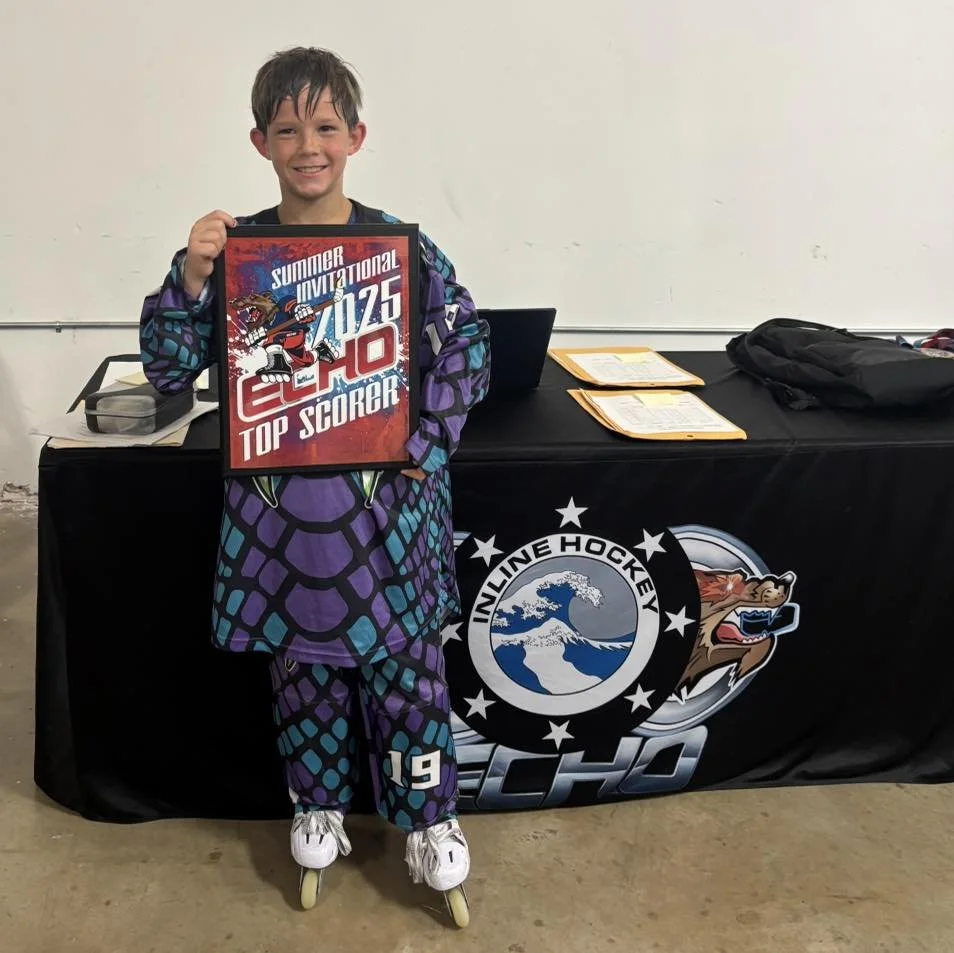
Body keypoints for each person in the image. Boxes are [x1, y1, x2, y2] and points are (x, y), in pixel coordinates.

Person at [138, 46, 490, 926]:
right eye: (288, 128)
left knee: (408, 673)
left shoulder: (401, 247)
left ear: (356, 136)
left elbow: (470, 343)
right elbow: (168, 369)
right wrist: (187, 276)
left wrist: (428, 438)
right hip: (283, 528)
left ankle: (428, 817)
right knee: (304, 678)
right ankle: (317, 803)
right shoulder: (235, 253)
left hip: (390, 520)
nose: (308, 144)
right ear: (260, 142)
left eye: (325, 126)